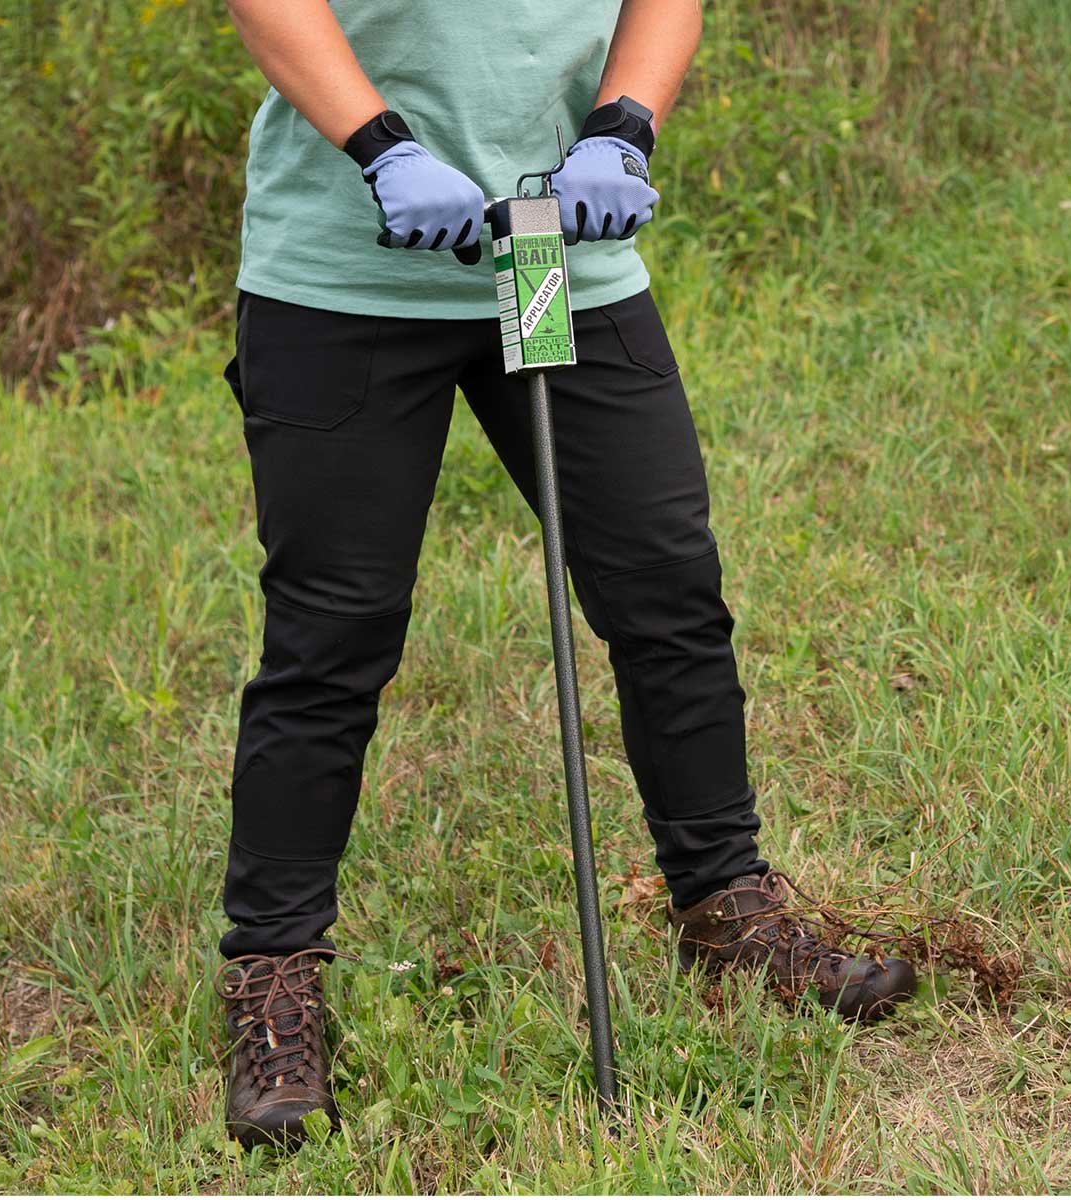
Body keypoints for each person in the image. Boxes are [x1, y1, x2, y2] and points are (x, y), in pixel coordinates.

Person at [213, 0, 916, 1149]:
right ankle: (274, 977)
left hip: (555, 255)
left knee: (667, 592)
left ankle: (728, 914)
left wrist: (623, 129)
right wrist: (381, 147)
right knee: (331, 636)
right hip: (346, 279)